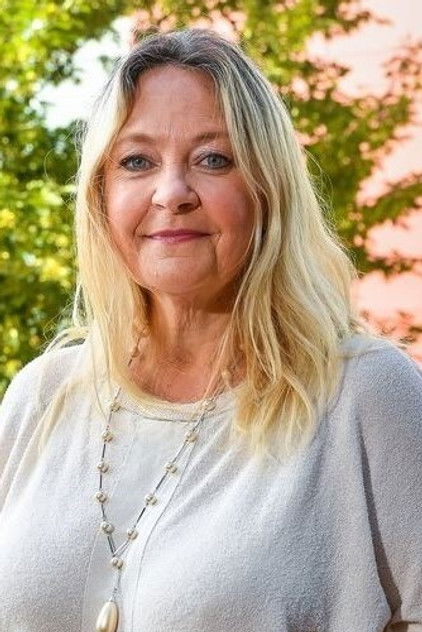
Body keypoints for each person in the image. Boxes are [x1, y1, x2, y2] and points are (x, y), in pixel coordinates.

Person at [0, 28, 421, 632]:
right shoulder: (42, 397)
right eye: (137, 161)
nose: (171, 193)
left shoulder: (365, 397)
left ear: (267, 189)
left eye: (213, 159)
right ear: (101, 196)